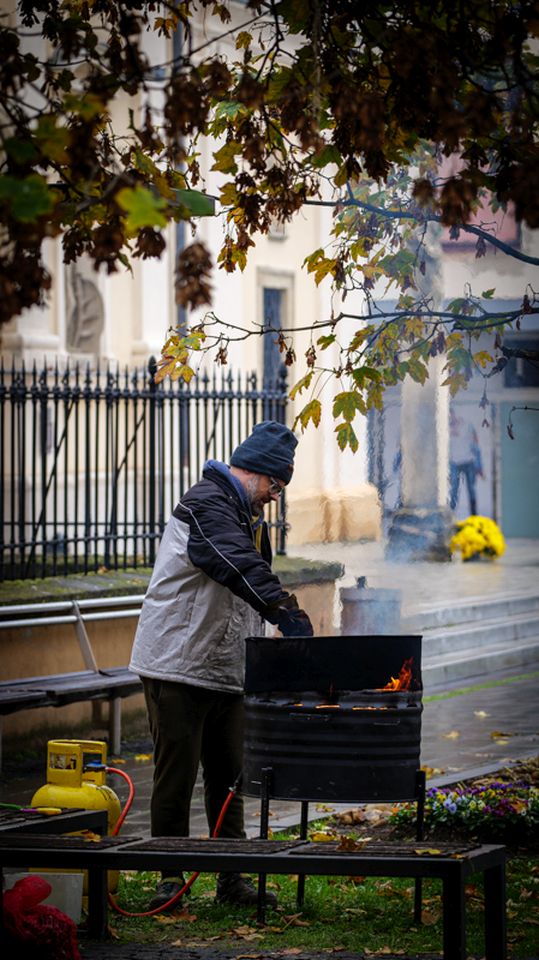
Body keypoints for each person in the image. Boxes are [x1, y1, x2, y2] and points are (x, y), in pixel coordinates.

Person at [129, 421, 313, 911]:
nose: (275, 495)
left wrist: (270, 634)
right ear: (254, 471)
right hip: (178, 663)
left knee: (230, 779)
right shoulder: (206, 504)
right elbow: (236, 566)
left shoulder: (248, 516)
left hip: (226, 668)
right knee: (176, 777)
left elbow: (247, 585)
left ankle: (231, 878)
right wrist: (284, 609)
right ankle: (169, 879)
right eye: (275, 484)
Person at [449, 408, 483, 515]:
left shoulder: (467, 424)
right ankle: (451, 514)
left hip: (469, 462)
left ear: (453, 414)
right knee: (453, 490)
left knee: (471, 489)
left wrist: (479, 466)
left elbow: (476, 444)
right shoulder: (444, 430)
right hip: (454, 463)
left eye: (450, 415)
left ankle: (474, 514)